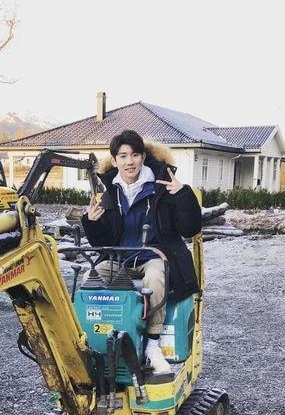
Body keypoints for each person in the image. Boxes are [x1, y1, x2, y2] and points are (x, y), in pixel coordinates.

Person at [82, 129, 202, 374]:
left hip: (154, 256)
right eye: (123, 156)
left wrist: (182, 195)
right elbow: (102, 242)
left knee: (156, 276)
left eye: (135, 155)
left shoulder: (163, 187)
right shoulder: (111, 193)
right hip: (121, 260)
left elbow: (190, 228)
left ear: (143, 157)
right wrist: (92, 223)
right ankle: (101, 341)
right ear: (114, 161)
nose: (130, 161)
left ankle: (152, 345)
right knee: (89, 280)